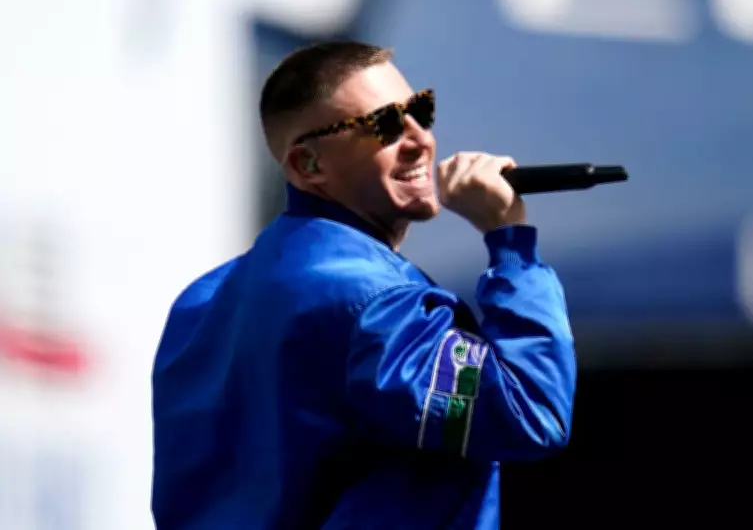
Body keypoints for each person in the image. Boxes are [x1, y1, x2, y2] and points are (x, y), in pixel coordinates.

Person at [151, 41, 577, 530]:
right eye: (387, 125)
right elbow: (531, 412)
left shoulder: (199, 302)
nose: (421, 140)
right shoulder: (375, 305)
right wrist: (510, 244)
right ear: (308, 166)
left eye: (421, 111)